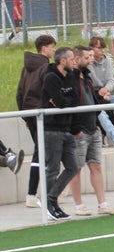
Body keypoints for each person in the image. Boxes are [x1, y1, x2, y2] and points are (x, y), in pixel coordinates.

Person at [67, 46, 114, 216]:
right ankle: (79, 205)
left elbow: (92, 99)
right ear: (77, 59)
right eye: (86, 58)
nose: (90, 60)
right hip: (79, 131)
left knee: (96, 165)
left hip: (92, 128)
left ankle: (103, 203)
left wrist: (97, 119)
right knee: (76, 168)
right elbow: (69, 104)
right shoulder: (70, 79)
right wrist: (75, 129)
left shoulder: (87, 77)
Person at [16, 33, 56, 208]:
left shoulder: (26, 68)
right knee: (42, 152)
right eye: (52, 47)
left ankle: (43, 192)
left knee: (42, 151)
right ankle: (34, 194)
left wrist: (25, 115)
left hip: (30, 113)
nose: (54, 50)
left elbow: (19, 93)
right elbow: (48, 91)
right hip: (41, 113)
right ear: (44, 48)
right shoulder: (46, 67)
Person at [41, 47, 79, 220]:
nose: (74, 62)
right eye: (71, 59)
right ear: (62, 61)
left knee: (72, 167)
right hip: (52, 129)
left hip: (67, 128)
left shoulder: (71, 76)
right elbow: (61, 101)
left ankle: (51, 198)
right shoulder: (50, 77)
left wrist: (63, 102)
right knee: (53, 169)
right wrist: (62, 102)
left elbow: (74, 100)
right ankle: (50, 205)